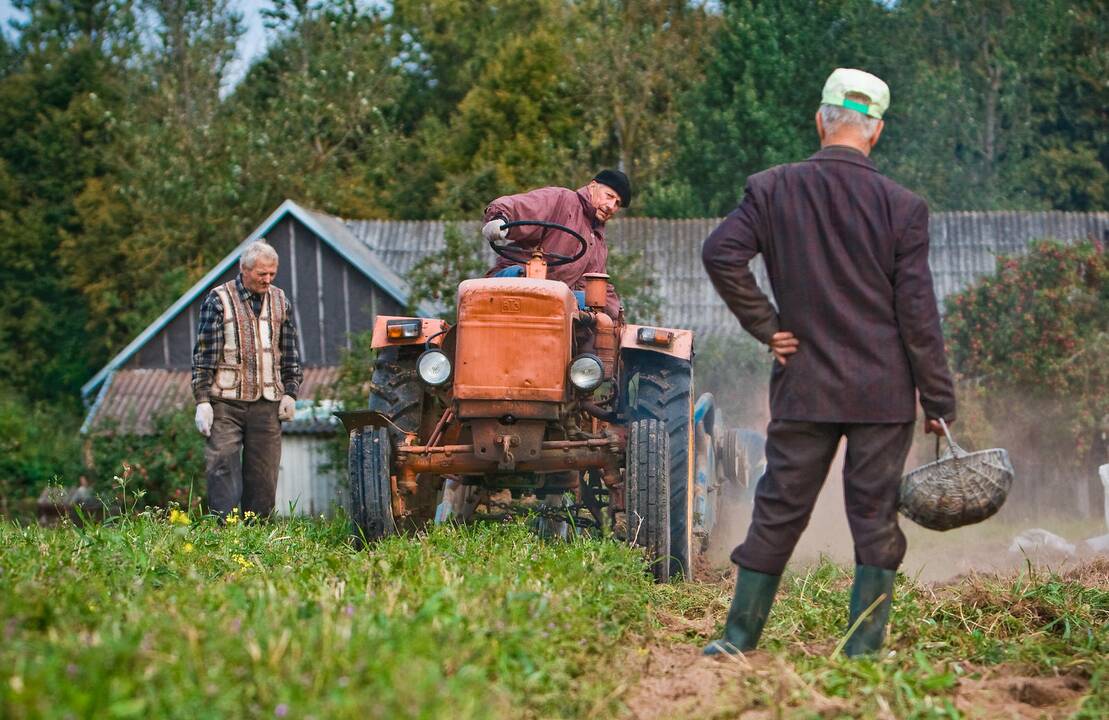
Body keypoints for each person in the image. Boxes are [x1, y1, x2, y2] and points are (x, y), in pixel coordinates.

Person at [700, 68, 956, 657]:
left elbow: (721, 253)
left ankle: (737, 641)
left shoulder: (772, 188)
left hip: (805, 384)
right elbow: (918, 314)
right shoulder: (903, 207)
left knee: (779, 506)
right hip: (883, 392)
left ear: (821, 120)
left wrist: (768, 326)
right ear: (876, 131)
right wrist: (938, 401)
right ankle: (862, 650)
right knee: (874, 514)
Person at [192, 240, 303, 521]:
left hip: (268, 403)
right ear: (244, 269)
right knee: (222, 468)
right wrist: (202, 400)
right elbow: (204, 353)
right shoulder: (218, 300)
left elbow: (289, 351)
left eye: (272, 274)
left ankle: (258, 537)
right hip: (225, 403)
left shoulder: (281, 301)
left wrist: (291, 392)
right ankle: (224, 533)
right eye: (261, 274)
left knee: (264, 476)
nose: (268, 279)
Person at [481, 169, 631, 319]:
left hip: (553, 301)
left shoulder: (597, 242)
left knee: (591, 306)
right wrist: (499, 218)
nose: (611, 206)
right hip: (515, 283)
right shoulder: (562, 200)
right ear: (592, 186)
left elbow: (597, 288)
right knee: (523, 277)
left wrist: (617, 317)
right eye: (609, 196)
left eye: (617, 203)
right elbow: (519, 206)